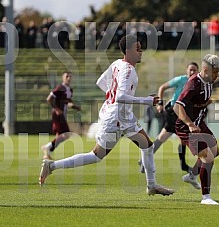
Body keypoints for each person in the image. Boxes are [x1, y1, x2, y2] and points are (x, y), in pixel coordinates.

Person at [39, 34, 175, 196]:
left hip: (123, 117)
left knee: (147, 145)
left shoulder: (118, 63)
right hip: (116, 119)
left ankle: (151, 185)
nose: (141, 51)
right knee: (96, 156)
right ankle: (51, 166)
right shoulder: (128, 70)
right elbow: (120, 97)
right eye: (138, 48)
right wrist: (147, 100)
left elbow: (101, 82)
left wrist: (111, 97)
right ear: (128, 50)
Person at [139, 63, 201, 187]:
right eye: (190, 70)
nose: (192, 72)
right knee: (176, 137)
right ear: (186, 70)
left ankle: (144, 160)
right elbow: (162, 87)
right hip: (173, 111)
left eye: (194, 70)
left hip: (182, 113)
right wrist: (160, 103)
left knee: (164, 137)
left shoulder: (197, 83)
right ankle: (183, 165)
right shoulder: (181, 79)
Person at [173, 54, 219, 205]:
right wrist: (189, 124)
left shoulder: (209, 82)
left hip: (199, 123)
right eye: (215, 72)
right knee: (208, 158)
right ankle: (206, 197)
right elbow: (177, 106)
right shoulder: (193, 83)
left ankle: (192, 175)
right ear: (206, 69)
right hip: (187, 127)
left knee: (215, 151)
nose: (217, 75)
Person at [41, 71, 81, 160]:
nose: (69, 78)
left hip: (62, 115)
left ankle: (48, 153)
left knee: (59, 135)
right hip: (57, 114)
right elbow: (49, 99)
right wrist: (57, 109)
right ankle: (47, 147)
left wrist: (76, 107)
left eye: (70, 76)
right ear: (63, 78)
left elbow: (68, 103)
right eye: (67, 76)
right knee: (66, 134)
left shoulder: (70, 90)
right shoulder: (60, 88)